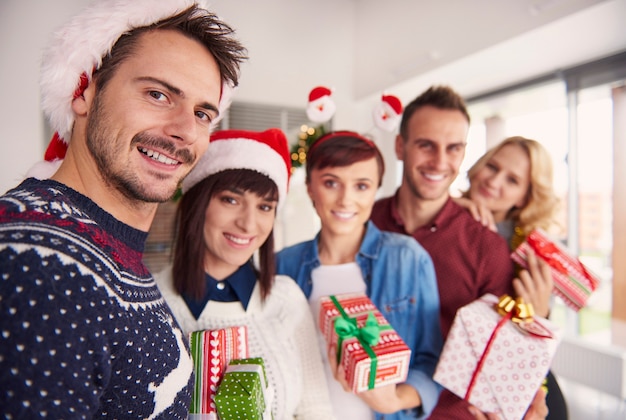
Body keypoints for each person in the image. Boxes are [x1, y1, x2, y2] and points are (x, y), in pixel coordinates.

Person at [0, 0, 247, 418]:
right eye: (157, 94)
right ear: (83, 91)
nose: (186, 131)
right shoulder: (35, 263)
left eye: (203, 113)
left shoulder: (105, 247)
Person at [370, 86, 549, 420]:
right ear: (400, 146)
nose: (440, 162)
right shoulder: (364, 221)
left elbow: (506, 353)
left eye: (453, 148)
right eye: (426, 145)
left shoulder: (487, 245)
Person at [155, 128, 335, 419]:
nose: (249, 224)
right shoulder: (155, 303)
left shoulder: (285, 298)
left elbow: (316, 409)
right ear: (197, 202)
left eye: (265, 206)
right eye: (231, 200)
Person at [276, 131, 443, 420]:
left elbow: (433, 359)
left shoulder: (407, 258)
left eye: (361, 186)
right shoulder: (283, 265)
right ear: (309, 187)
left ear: (376, 189)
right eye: (331, 183)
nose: (345, 200)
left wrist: (394, 400)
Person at [456, 136, 568, 419]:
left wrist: (538, 314)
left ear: (525, 197)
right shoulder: (444, 214)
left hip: (517, 384)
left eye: (513, 180)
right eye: (493, 167)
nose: (494, 182)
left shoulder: (528, 251)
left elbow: (537, 338)